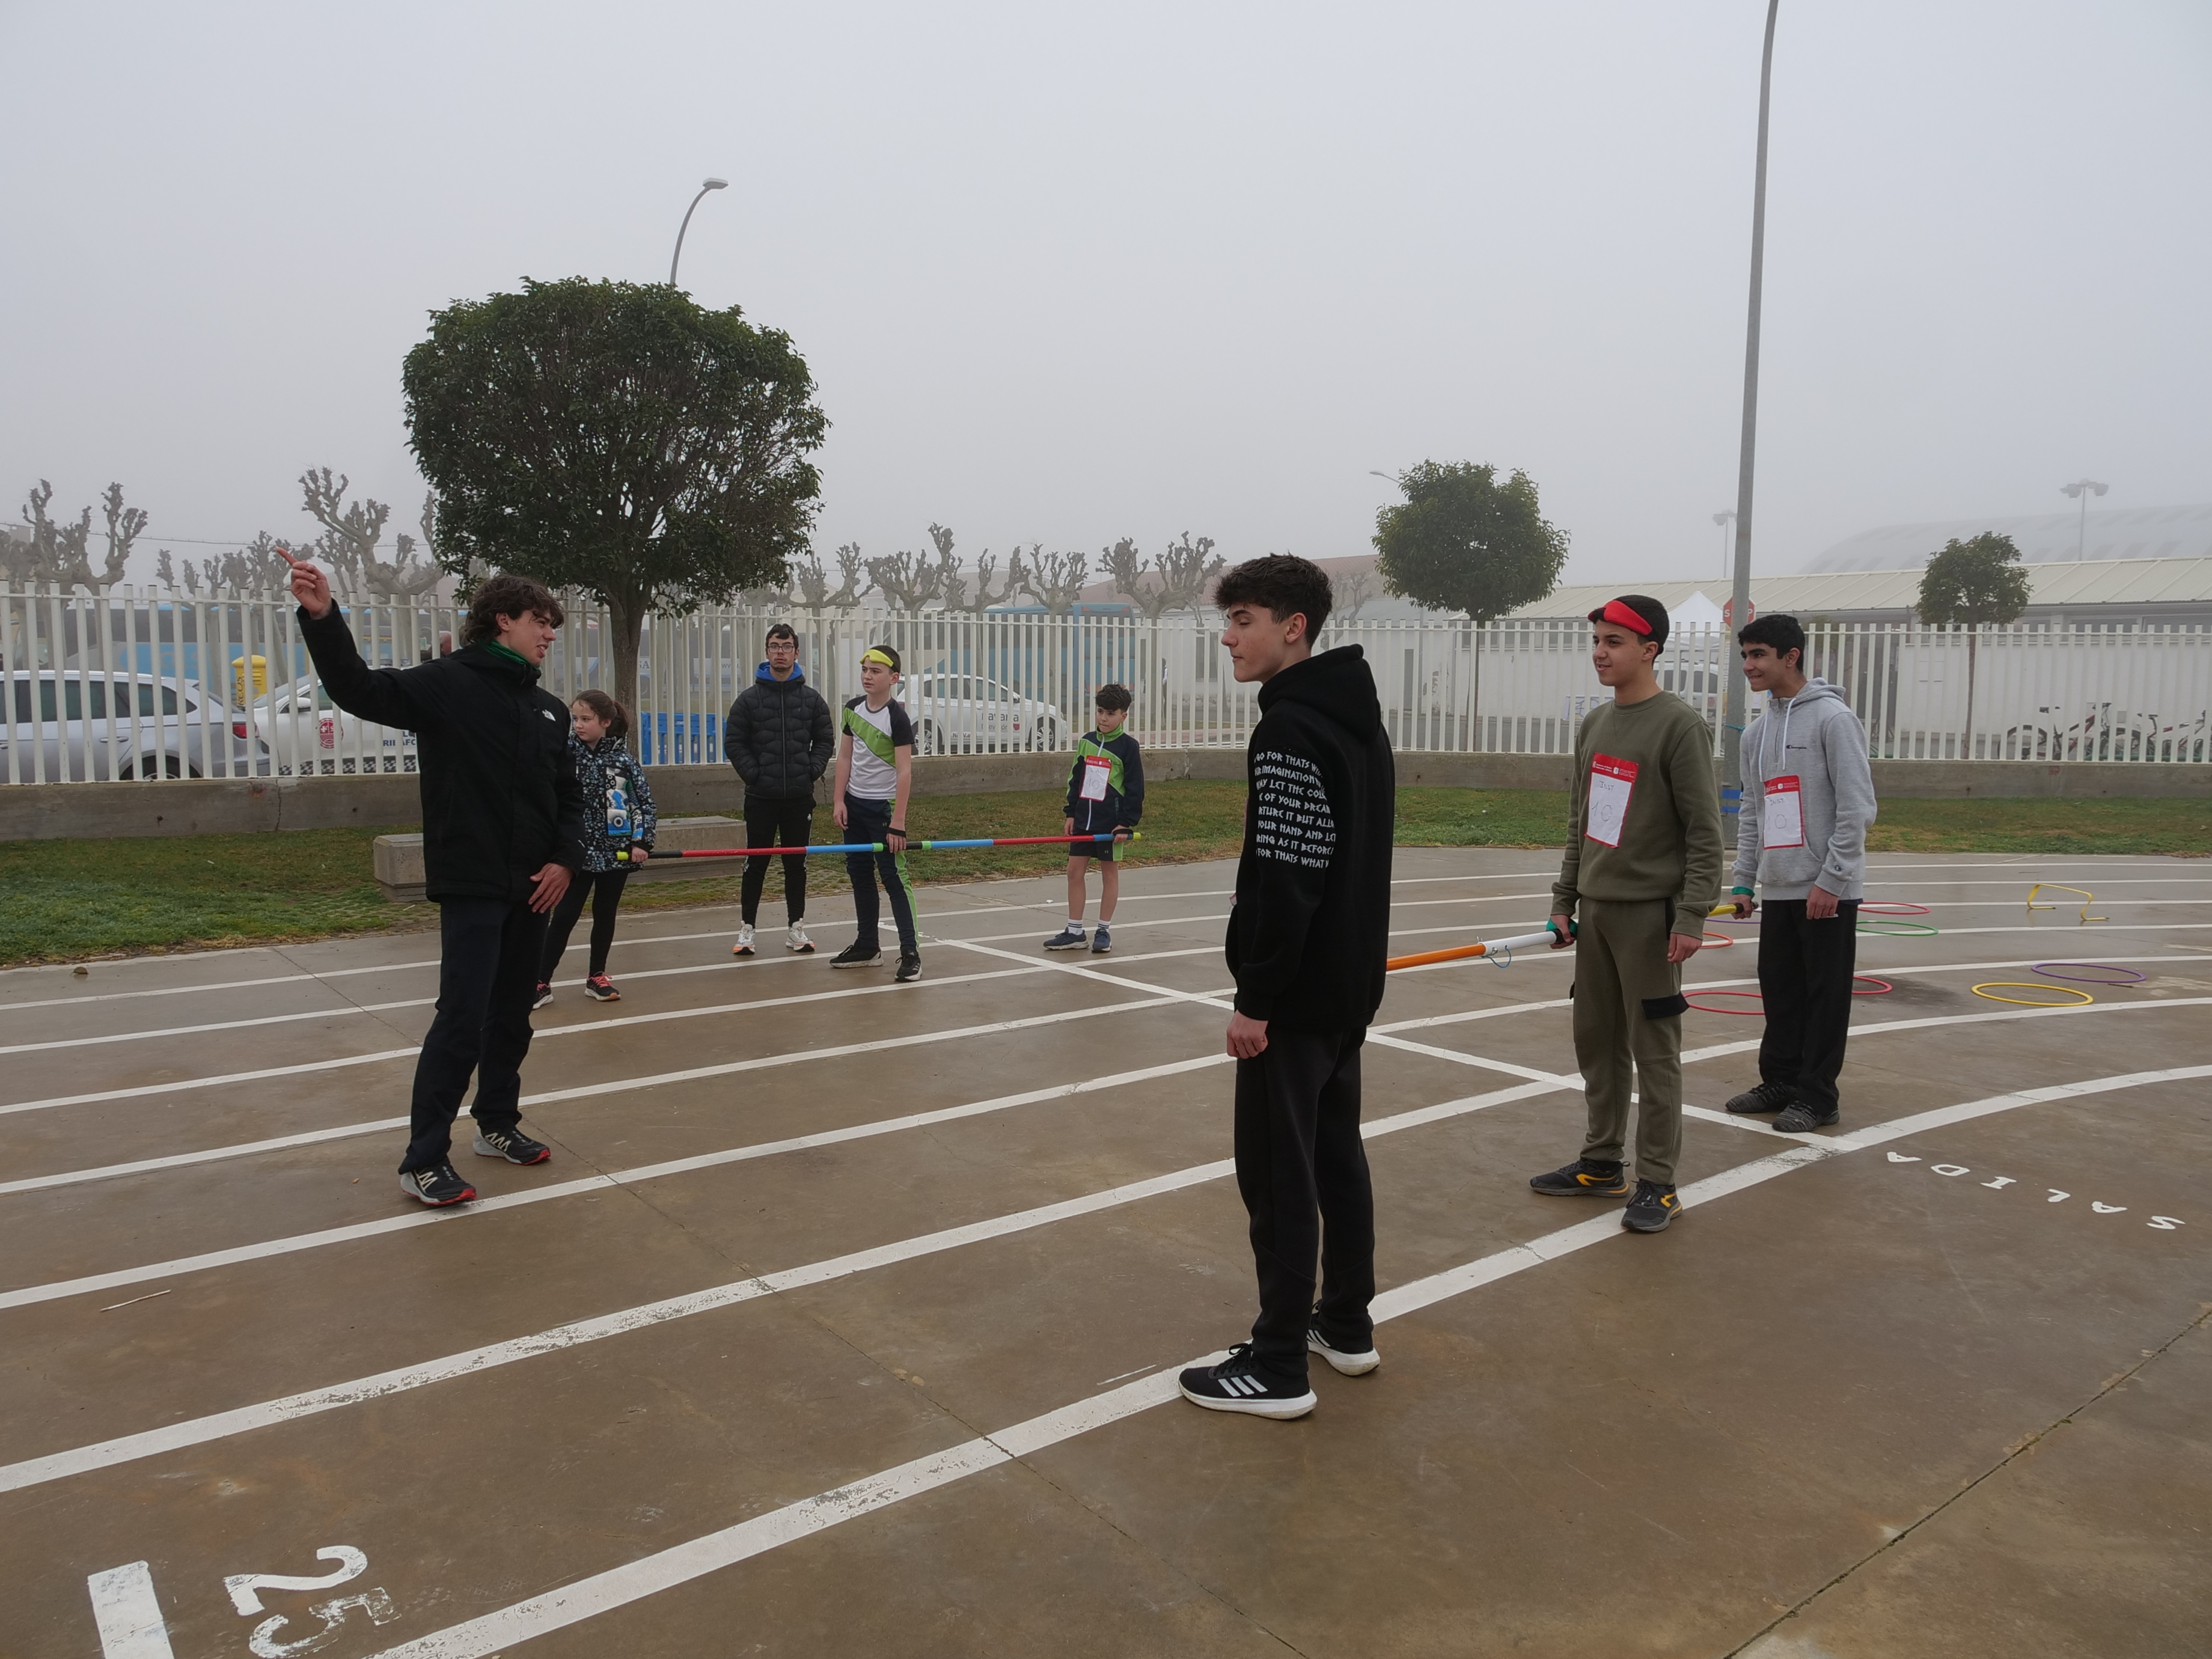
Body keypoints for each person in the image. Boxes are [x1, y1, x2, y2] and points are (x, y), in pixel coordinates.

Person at [287, 559, 582, 1208]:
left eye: (552, 626)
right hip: (473, 881)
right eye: (541, 622)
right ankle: (423, 1160)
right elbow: (357, 688)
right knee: (462, 1019)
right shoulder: (446, 685)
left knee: (512, 1016)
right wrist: (321, 617)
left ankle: (497, 1123)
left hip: (535, 886)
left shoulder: (549, 711)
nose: (550, 635)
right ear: (503, 619)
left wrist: (564, 859)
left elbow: (568, 796)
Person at [1179, 555, 1395, 1421]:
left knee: (1278, 1174)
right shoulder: (1357, 721)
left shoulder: (1290, 731)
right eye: (1227, 620)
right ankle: (1343, 1324)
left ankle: (1277, 1363)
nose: (1228, 637)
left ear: (1293, 627)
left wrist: (1256, 999)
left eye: (1244, 620)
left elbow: (1288, 875)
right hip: (1348, 989)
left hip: (1298, 999)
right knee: (1336, 1157)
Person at [1536, 594, 1723, 1233]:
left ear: (1649, 649)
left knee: (1654, 1050)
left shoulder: (1678, 726)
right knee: (1596, 1043)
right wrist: (1565, 900)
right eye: (1596, 639)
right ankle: (1599, 1162)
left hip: (1650, 918)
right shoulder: (1593, 725)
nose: (1599, 651)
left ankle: (1658, 1182)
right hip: (1596, 913)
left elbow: (1703, 830)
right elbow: (1579, 823)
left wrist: (1691, 915)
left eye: (1614, 640)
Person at [1725, 613, 1877, 1132]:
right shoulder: (1757, 733)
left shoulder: (1834, 720)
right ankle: (1782, 1080)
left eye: (1759, 655)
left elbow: (1858, 808)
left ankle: (1819, 1095)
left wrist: (1832, 880)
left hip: (1825, 887)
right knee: (1781, 988)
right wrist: (1745, 879)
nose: (1749, 666)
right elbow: (1752, 811)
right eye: (1745, 655)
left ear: (1791, 656)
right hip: (1780, 883)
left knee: (1824, 994)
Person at [536, 689, 656, 1007]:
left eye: (586, 719)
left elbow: (642, 803)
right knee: (564, 915)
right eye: (575, 719)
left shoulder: (623, 761)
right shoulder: (565, 755)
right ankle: (540, 980)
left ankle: (597, 976)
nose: (578, 725)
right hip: (575, 854)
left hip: (616, 854)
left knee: (605, 915)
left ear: (605, 722)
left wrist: (641, 841)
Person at [723, 622, 834, 957]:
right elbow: (734, 742)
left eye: (786, 647)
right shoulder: (749, 700)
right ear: (767, 652)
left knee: (795, 865)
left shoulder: (812, 700)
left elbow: (825, 740)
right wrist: (754, 775)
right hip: (760, 798)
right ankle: (747, 930)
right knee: (755, 864)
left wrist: (811, 771)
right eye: (775, 646)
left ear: (797, 653)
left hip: (799, 799)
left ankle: (796, 928)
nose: (780, 652)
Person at [830, 644, 922, 983]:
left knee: (895, 879)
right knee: (859, 875)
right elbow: (844, 758)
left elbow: (904, 772)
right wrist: (839, 801)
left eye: (876, 671)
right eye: (865, 670)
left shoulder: (897, 717)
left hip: (882, 810)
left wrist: (897, 822)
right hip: (854, 806)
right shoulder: (852, 709)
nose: (868, 676)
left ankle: (911, 952)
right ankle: (868, 945)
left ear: (893, 678)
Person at [1042, 683, 1144, 955]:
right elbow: (1075, 779)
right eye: (1100, 712)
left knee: (1109, 874)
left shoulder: (1128, 747)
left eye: (1111, 713)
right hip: (1083, 822)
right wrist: (1071, 812)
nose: (1103, 718)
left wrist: (1125, 823)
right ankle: (1075, 931)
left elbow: (1135, 789)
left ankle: (1103, 930)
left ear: (1123, 716)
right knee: (1074, 872)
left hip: (1110, 825)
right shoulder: (1086, 742)